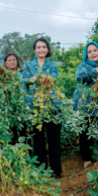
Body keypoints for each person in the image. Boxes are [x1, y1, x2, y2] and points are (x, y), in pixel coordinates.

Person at [21, 38, 62, 178]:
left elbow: (53, 79)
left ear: (48, 49)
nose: (41, 50)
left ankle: (56, 170)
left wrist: (41, 78)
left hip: (52, 105)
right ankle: (41, 170)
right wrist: (32, 78)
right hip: (34, 106)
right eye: (38, 47)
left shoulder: (53, 65)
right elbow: (23, 80)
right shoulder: (27, 65)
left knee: (54, 139)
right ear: (34, 50)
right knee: (38, 140)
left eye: (44, 47)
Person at [72, 41, 98, 167]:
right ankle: (86, 158)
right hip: (84, 104)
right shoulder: (84, 66)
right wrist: (97, 70)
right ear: (86, 55)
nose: (93, 53)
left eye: (95, 50)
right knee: (85, 131)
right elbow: (79, 77)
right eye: (89, 52)